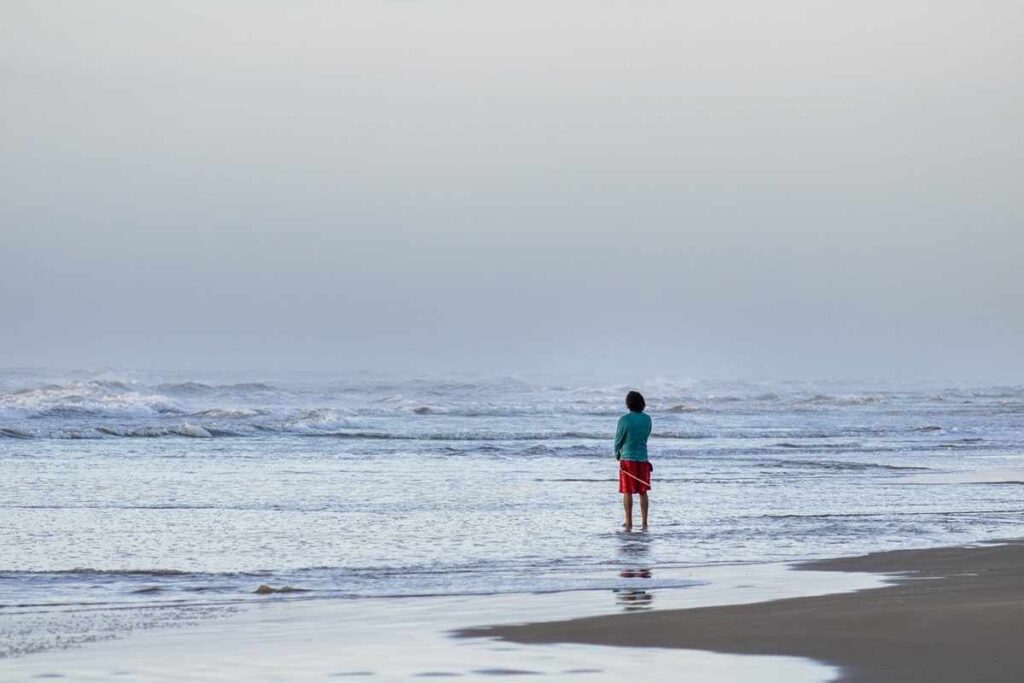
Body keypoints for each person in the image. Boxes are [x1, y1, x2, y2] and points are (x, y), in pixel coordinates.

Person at [614, 390, 652, 531]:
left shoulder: (624, 420)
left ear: (628, 404)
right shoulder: (647, 419)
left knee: (627, 491)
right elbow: (646, 436)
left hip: (628, 459)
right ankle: (645, 522)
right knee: (643, 491)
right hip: (643, 458)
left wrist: (617, 453)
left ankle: (628, 521)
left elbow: (618, 440)